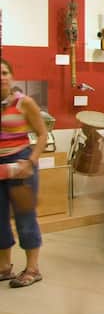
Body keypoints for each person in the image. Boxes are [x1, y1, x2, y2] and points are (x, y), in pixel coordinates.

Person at [0, 58, 47, 288]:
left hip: (21, 165)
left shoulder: (23, 102)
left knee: (24, 217)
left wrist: (30, 162)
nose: (1, 76)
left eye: (4, 72)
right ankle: (4, 266)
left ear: (11, 76)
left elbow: (42, 134)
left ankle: (32, 268)